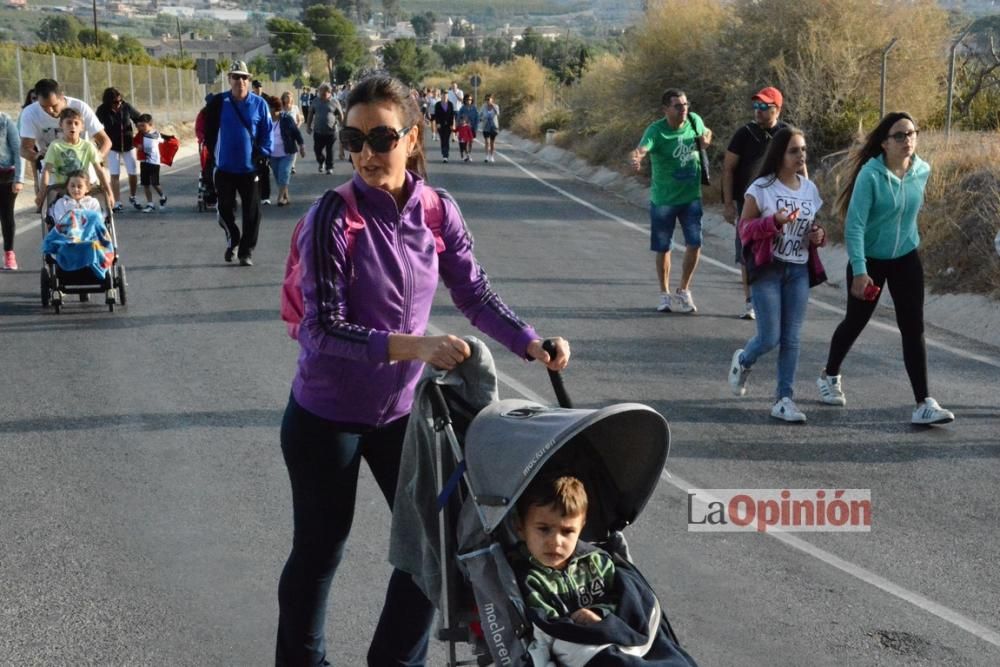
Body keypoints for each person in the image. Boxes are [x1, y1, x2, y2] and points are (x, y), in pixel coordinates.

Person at [274, 74, 571, 666]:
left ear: (412, 138)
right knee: (320, 550)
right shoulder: (334, 218)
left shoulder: (436, 210)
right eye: (353, 140)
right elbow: (320, 327)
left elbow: (475, 292)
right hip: (325, 418)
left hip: (405, 418)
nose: (364, 154)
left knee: (435, 549)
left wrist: (531, 343)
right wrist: (416, 347)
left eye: (381, 138)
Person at [817, 112, 955, 426]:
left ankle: (923, 402)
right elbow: (854, 226)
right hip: (871, 260)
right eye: (899, 136)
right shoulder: (870, 175)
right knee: (856, 321)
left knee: (913, 327)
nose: (908, 140)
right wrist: (861, 269)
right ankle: (830, 374)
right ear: (884, 143)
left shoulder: (923, 170)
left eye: (912, 133)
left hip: (906, 256)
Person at [727, 127, 827, 423]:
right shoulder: (761, 188)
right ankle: (743, 360)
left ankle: (784, 399)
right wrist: (772, 222)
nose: (801, 156)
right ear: (780, 155)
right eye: (794, 151)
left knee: (792, 338)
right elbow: (743, 229)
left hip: (798, 269)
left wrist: (818, 235)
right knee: (769, 337)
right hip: (768, 268)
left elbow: (815, 229)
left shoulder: (809, 189)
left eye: (804, 150)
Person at [630, 88, 713, 314]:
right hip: (664, 199)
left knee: (695, 243)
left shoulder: (694, 120)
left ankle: (683, 290)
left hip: (691, 197)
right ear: (666, 109)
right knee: (664, 247)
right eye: (678, 106)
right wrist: (637, 157)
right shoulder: (656, 131)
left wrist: (706, 140)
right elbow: (643, 147)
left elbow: (707, 134)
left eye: (686, 104)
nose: (683, 109)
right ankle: (664, 294)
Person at [722, 87, 790, 321]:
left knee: (779, 251)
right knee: (747, 250)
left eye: (764, 107)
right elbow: (728, 169)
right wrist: (728, 203)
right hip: (749, 203)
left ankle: (776, 299)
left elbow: (800, 166)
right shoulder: (744, 133)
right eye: (756, 107)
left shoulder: (786, 134)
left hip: (779, 203)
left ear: (777, 109)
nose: (758, 111)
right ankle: (750, 300)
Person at [512, 475, 616, 625]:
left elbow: (622, 600)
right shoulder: (526, 578)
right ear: (520, 528)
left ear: (581, 528)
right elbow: (548, 626)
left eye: (567, 531)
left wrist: (600, 613)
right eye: (544, 529)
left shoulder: (598, 562)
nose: (556, 541)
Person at [203, 61, 273, 267]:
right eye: (236, 76)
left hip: (250, 169)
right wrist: (213, 153)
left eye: (244, 77)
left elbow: (267, 133)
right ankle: (233, 237)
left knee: (252, 213)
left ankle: (246, 251)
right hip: (224, 168)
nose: (240, 81)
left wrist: (263, 153)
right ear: (229, 79)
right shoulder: (219, 102)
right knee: (224, 209)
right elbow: (208, 130)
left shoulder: (259, 104)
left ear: (249, 80)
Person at [19, 78, 111, 184]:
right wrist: (36, 155)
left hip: (83, 179)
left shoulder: (80, 107)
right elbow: (24, 149)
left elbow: (106, 141)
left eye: (54, 106)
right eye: (44, 107)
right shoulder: (29, 113)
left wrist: (96, 158)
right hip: (53, 181)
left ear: (61, 96)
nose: (50, 111)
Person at [39, 108, 113, 208]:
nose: (72, 126)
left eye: (76, 123)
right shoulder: (55, 146)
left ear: (82, 127)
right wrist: (42, 194)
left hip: (83, 188)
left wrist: (109, 192)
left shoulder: (88, 146)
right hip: (63, 190)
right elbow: (46, 170)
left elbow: (99, 170)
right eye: (69, 123)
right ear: (61, 125)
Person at [95, 87, 142, 212]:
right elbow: (96, 127)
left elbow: (139, 118)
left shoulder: (126, 107)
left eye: (120, 101)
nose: (119, 104)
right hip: (112, 147)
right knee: (114, 174)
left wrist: (142, 130)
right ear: (108, 102)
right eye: (115, 102)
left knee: (132, 173)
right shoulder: (102, 110)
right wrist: (99, 143)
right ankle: (117, 202)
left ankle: (133, 196)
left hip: (128, 144)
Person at [267, 95, 306, 207]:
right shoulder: (266, 120)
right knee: (278, 177)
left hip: (287, 152)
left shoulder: (286, 118)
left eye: (269, 107)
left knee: (284, 172)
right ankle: (285, 196)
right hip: (273, 154)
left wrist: (302, 146)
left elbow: (296, 133)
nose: (267, 109)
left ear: (274, 108)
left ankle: (280, 198)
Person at [0, 109, 24, 270]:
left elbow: (18, 150)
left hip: (6, 175)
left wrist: (19, 179)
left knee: (6, 215)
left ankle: (9, 254)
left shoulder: (5, 120)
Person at [306, 83, 342, 174]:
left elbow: (341, 114)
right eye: (320, 92)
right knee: (317, 150)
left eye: (324, 93)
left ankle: (329, 167)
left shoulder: (335, 102)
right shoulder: (315, 101)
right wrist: (308, 126)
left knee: (330, 150)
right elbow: (310, 114)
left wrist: (343, 126)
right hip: (318, 131)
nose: (321, 95)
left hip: (331, 131)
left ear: (329, 92)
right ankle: (321, 161)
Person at [135, 113, 166, 213]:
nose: (141, 128)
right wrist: (138, 146)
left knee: (154, 183)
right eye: (140, 125)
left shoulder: (155, 134)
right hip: (144, 162)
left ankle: (162, 196)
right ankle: (150, 204)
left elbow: (163, 142)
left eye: (143, 125)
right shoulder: (140, 134)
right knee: (145, 183)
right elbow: (135, 141)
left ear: (150, 124)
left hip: (154, 162)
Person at [195, 93, 218, 209]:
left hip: (220, 144)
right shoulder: (203, 114)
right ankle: (210, 193)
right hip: (207, 146)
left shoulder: (222, 113)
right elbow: (199, 129)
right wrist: (202, 139)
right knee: (208, 170)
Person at [431, 89, 456, 163]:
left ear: (448, 96)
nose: (445, 97)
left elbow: (452, 115)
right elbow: (436, 115)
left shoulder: (450, 104)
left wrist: (452, 124)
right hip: (440, 125)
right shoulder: (438, 104)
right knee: (442, 139)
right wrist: (437, 123)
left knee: (447, 139)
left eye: (446, 95)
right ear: (441, 96)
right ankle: (443, 152)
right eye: (443, 95)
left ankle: (446, 155)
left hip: (448, 125)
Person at [457, 93, 478, 161]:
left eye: (470, 100)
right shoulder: (462, 108)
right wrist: (461, 124)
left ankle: (469, 154)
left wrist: (475, 127)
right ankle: (467, 155)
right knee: (465, 143)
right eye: (468, 99)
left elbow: (477, 118)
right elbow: (458, 117)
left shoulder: (474, 108)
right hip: (465, 128)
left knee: (471, 142)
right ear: (465, 100)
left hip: (472, 128)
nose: (469, 101)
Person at [480, 94, 500, 163]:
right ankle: (486, 156)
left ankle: (492, 156)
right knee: (487, 142)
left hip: (493, 126)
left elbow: (497, 113)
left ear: (492, 100)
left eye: (489, 99)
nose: (488, 101)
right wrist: (481, 118)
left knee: (492, 142)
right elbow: (480, 114)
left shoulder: (496, 106)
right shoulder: (483, 106)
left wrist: (493, 106)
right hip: (486, 126)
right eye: (486, 99)